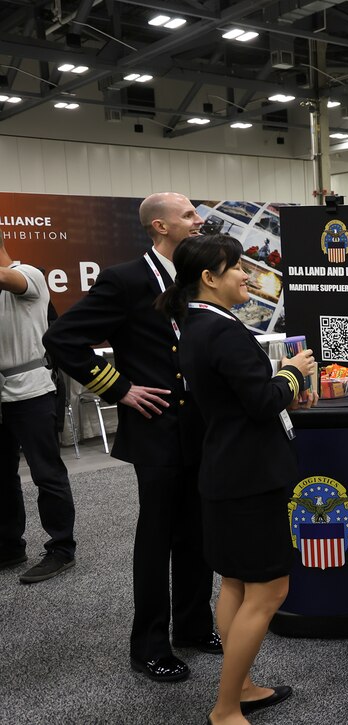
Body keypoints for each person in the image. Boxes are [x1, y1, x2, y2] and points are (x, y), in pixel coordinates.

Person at [44, 192, 217, 683]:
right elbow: (61, 339)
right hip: (157, 430)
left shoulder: (192, 277)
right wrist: (119, 388)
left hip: (198, 430)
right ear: (160, 227)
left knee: (196, 534)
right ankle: (149, 644)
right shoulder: (126, 279)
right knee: (157, 537)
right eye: (188, 214)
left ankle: (193, 625)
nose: (199, 219)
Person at [156, 233, 314, 725]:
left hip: (226, 472)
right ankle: (225, 708)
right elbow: (260, 402)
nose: (249, 275)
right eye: (237, 268)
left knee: (237, 586)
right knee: (268, 591)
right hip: (249, 477)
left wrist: (280, 389)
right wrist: (292, 374)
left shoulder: (198, 326)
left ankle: (239, 686)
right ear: (209, 278)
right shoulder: (220, 331)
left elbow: (237, 398)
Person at [0, 232, 77, 583]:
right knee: (2, 477)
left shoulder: (29, 274)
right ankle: (9, 546)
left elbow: (6, 278)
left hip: (32, 392)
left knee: (46, 473)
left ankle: (61, 548)